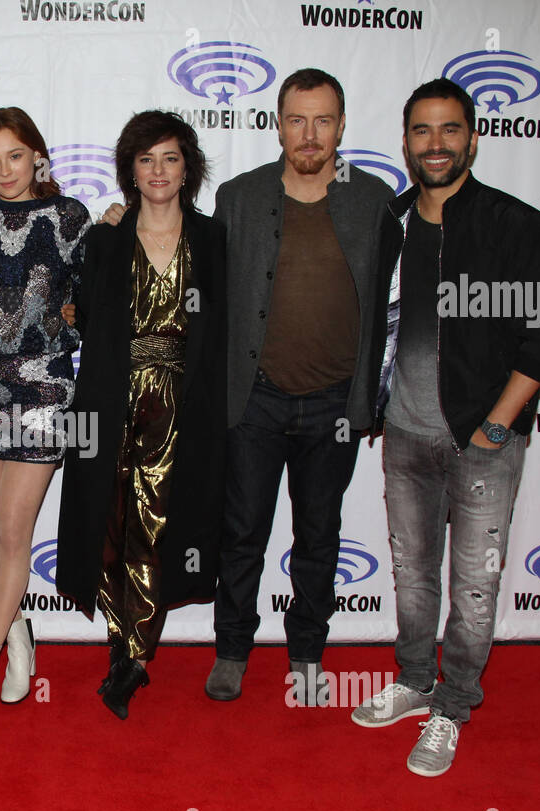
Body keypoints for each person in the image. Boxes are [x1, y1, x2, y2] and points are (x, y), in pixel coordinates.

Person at [351, 79, 540, 776]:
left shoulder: (517, 225)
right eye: (422, 131)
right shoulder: (391, 221)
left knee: (474, 587)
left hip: (484, 441)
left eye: (450, 130)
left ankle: (452, 707)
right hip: (405, 436)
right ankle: (416, 682)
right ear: (407, 142)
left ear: (474, 138)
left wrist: (496, 429)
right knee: (414, 578)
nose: (436, 144)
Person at [204, 68, 395, 704]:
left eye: (323, 120)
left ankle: (307, 651)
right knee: (242, 532)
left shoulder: (373, 202)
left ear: (342, 126)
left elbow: (395, 306)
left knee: (319, 535)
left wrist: (375, 399)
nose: (309, 134)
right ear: (277, 123)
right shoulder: (238, 196)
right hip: (253, 398)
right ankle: (231, 647)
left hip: (335, 403)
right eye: (296, 119)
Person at [56, 110, 226, 719]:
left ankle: (137, 652)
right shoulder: (104, 241)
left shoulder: (212, 240)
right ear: (130, 169)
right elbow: (73, 314)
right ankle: (116, 645)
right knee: (110, 520)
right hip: (109, 398)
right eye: (146, 159)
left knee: (158, 525)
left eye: (170, 158)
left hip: (183, 405)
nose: (158, 170)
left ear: (188, 169)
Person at [0, 107, 91, 731]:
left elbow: (92, 302)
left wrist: (69, 321)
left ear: (37, 154)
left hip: (43, 389)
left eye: (15, 155)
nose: (4, 170)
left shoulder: (70, 218)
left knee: (14, 530)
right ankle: (17, 640)